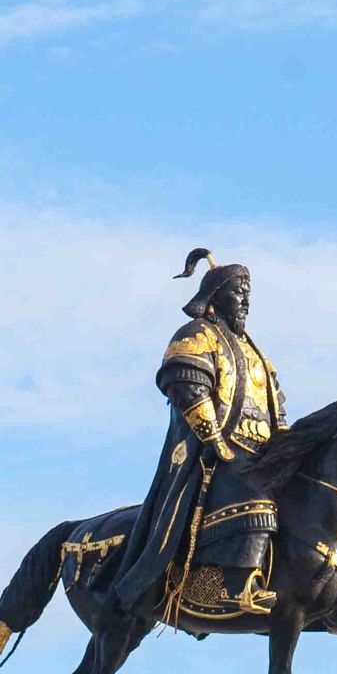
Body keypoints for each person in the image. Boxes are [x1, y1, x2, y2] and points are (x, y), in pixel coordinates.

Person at [113, 249, 288, 621]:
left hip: (261, 449)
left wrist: (288, 446)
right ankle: (237, 585)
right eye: (240, 290)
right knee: (253, 490)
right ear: (217, 293)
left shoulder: (255, 352)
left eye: (248, 292)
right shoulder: (195, 336)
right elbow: (187, 384)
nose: (246, 300)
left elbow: (276, 403)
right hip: (211, 447)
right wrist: (215, 439)